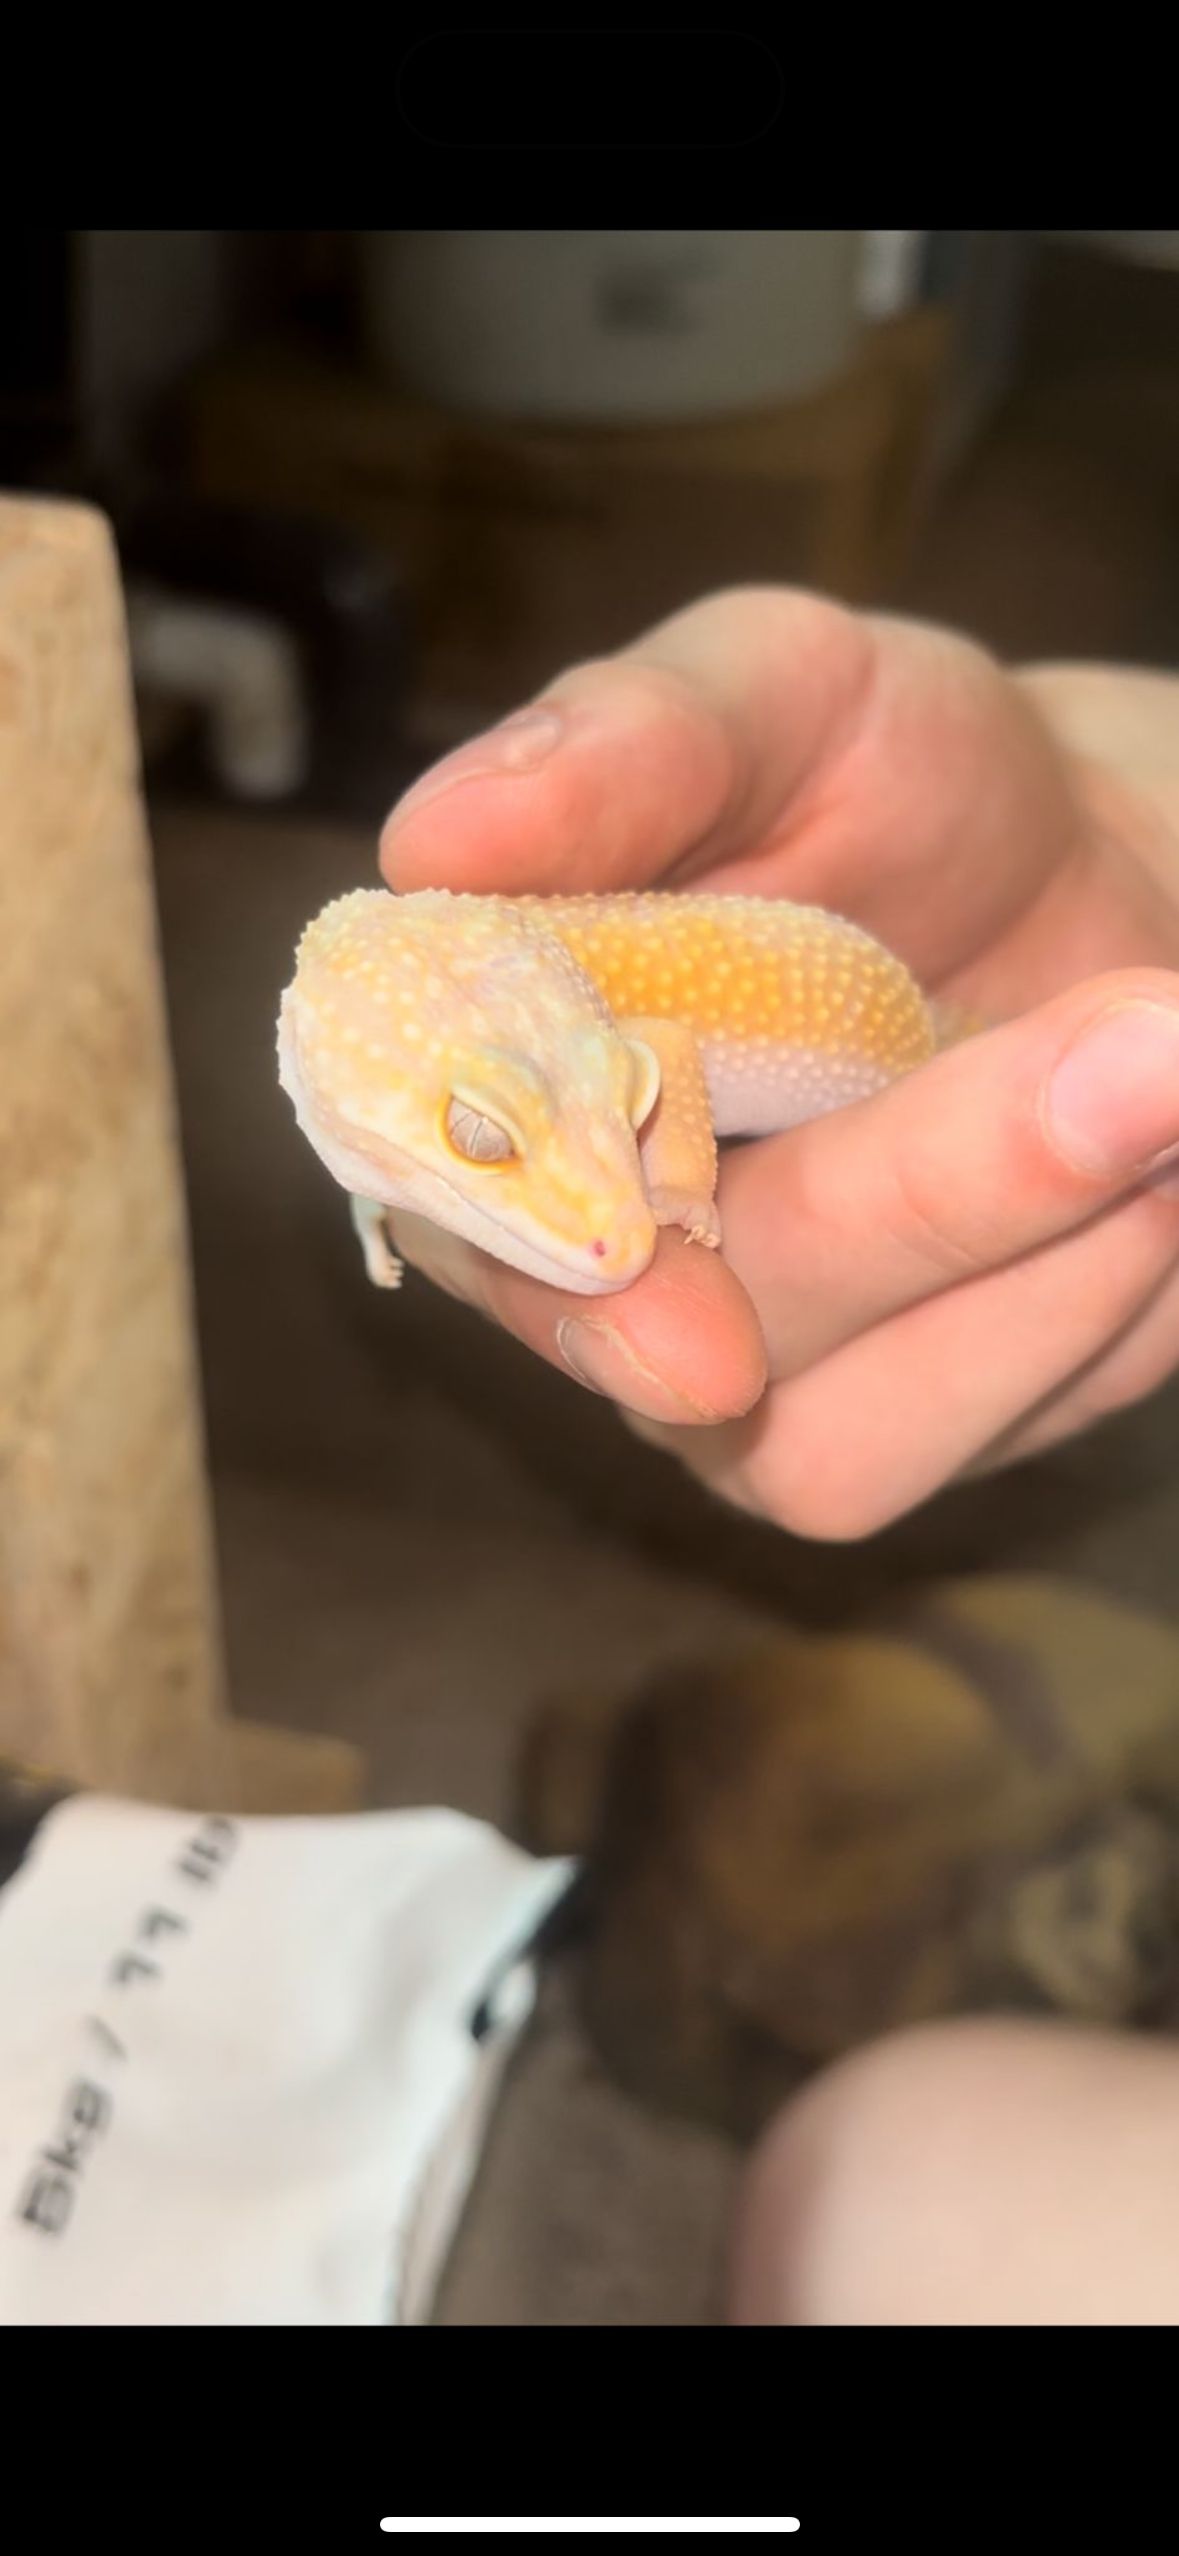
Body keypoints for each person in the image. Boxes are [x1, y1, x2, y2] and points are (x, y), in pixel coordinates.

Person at [378, 589, 1179, 2324]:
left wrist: (647, 1191)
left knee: (877, 2182)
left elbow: (624, 1074)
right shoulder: (472, 994)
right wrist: (1126, 801)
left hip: (889, 1047)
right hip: (979, 1011)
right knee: (883, 2168)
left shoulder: (569, 1019)